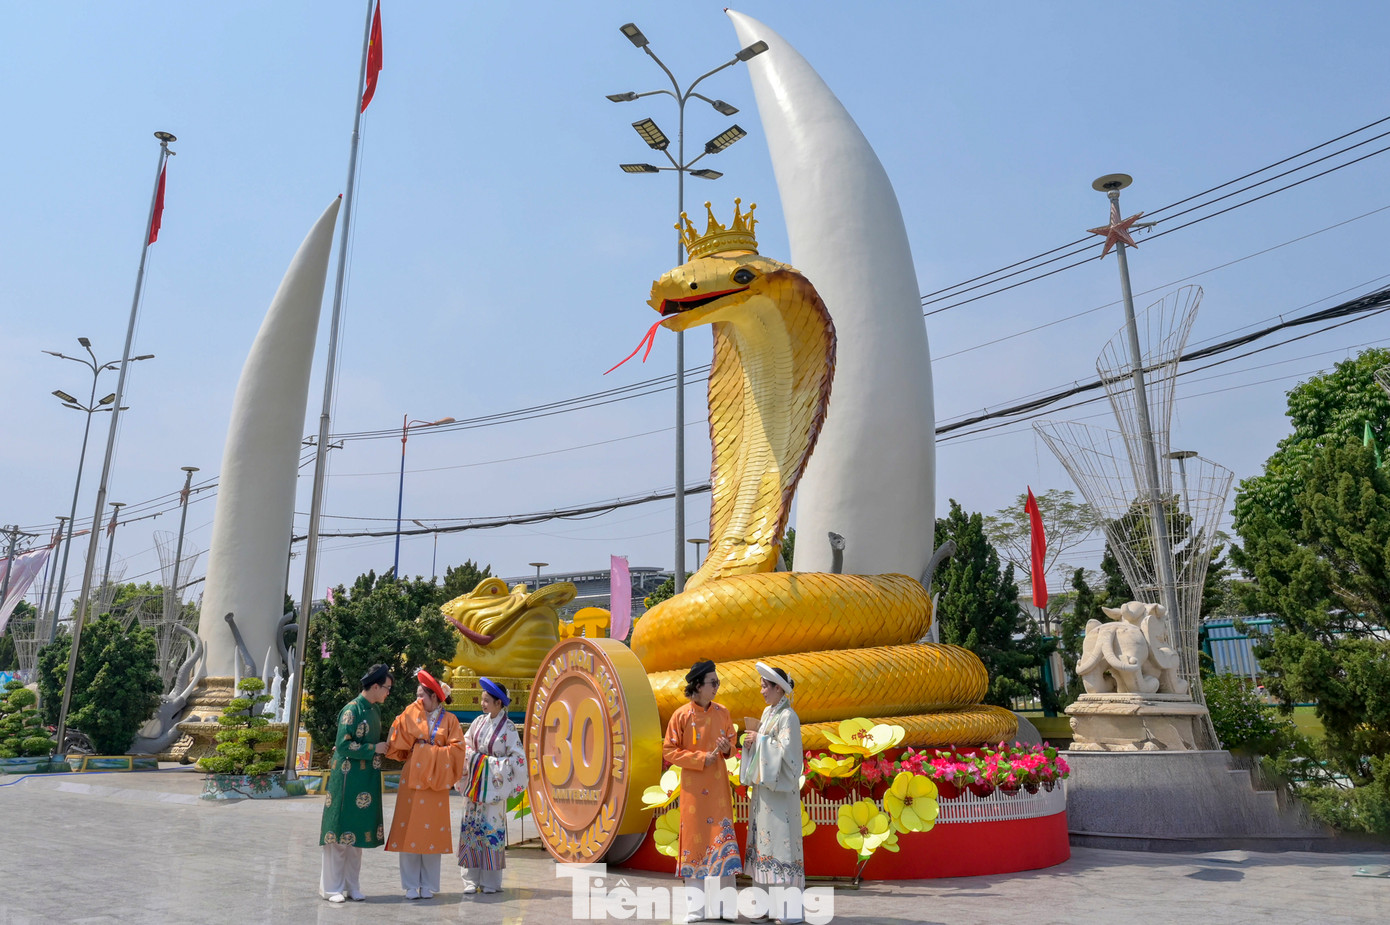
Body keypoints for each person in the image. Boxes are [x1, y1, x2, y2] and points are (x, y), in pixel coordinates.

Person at [663, 658, 740, 924]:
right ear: (697, 685)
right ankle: (695, 911)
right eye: (712, 683)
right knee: (695, 846)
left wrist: (726, 747)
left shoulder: (723, 712)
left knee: (723, 845)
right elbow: (669, 750)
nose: (717, 687)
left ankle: (727, 909)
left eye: (718, 683)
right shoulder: (680, 716)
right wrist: (699, 760)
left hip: (718, 791)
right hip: (694, 793)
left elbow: (732, 744)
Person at [384, 668, 467, 900]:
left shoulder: (450, 720)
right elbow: (395, 739)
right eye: (417, 694)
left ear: (434, 697)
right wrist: (410, 719)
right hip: (412, 778)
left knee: (432, 833)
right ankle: (410, 885)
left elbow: (459, 749)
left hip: (436, 781)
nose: (418, 699)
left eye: (422, 695)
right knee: (409, 829)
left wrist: (428, 753)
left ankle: (429, 884)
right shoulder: (411, 713)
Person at [319, 663, 392, 903]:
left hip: (365, 779)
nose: (388, 693)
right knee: (340, 836)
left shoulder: (374, 710)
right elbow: (341, 745)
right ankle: (331, 888)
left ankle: (352, 886)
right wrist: (374, 748)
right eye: (386, 688)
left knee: (357, 837)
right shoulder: (351, 710)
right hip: (347, 779)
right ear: (374, 686)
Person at [742, 662, 805, 924]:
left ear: (779, 689)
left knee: (781, 847)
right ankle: (766, 906)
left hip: (780, 796)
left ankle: (789, 911)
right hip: (765, 794)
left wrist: (760, 740)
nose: (762, 691)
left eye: (765, 686)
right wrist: (751, 743)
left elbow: (790, 756)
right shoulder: (768, 712)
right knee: (765, 846)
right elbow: (766, 747)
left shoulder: (788, 717)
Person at [456, 677, 525, 894]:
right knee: (471, 829)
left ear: (499, 703)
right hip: (476, 785)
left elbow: (518, 759)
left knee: (491, 830)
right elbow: (465, 746)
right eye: (483, 700)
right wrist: (474, 758)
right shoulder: (478, 723)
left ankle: (491, 882)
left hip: (494, 788)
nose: (483, 704)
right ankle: (470, 880)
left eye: (487, 701)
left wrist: (490, 764)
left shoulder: (510, 729)